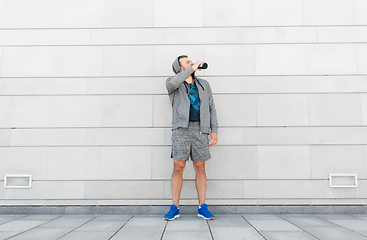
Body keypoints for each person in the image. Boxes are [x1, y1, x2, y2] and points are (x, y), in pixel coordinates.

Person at [164, 55, 218, 221]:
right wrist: (192, 68)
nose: (191, 62)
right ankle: (175, 207)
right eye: (187, 62)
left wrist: (214, 130)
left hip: (200, 130)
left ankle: (202, 207)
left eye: (190, 61)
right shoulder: (173, 83)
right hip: (181, 130)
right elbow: (172, 83)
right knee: (178, 167)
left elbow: (211, 107)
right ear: (180, 68)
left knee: (200, 167)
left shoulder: (204, 84)